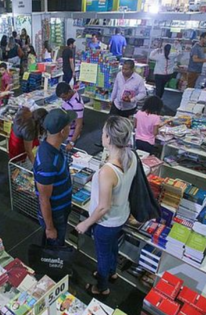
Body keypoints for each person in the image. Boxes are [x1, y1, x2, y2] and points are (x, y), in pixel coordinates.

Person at [75, 116, 136, 297]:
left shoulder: (108, 171)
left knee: (102, 254)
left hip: (106, 222)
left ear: (109, 138)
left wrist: (85, 224)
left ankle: (101, 287)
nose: (101, 136)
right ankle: (112, 272)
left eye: (103, 133)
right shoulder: (131, 156)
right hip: (121, 215)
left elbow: (103, 207)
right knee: (112, 247)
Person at [34, 109, 75, 246]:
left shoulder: (54, 148)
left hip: (61, 210)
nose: (71, 127)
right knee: (55, 248)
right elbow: (44, 199)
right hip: (56, 215)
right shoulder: (47, 163)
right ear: (63, 131)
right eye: (69, 125)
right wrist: (50, 228)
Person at [56, 82, 84, 151]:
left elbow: (79, 125)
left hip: (69, 135)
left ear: (69, 92)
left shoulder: (77, 104)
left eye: (64, 97)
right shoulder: (68, 98)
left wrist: (71, 142)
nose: (63, 100)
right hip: (63, 131)